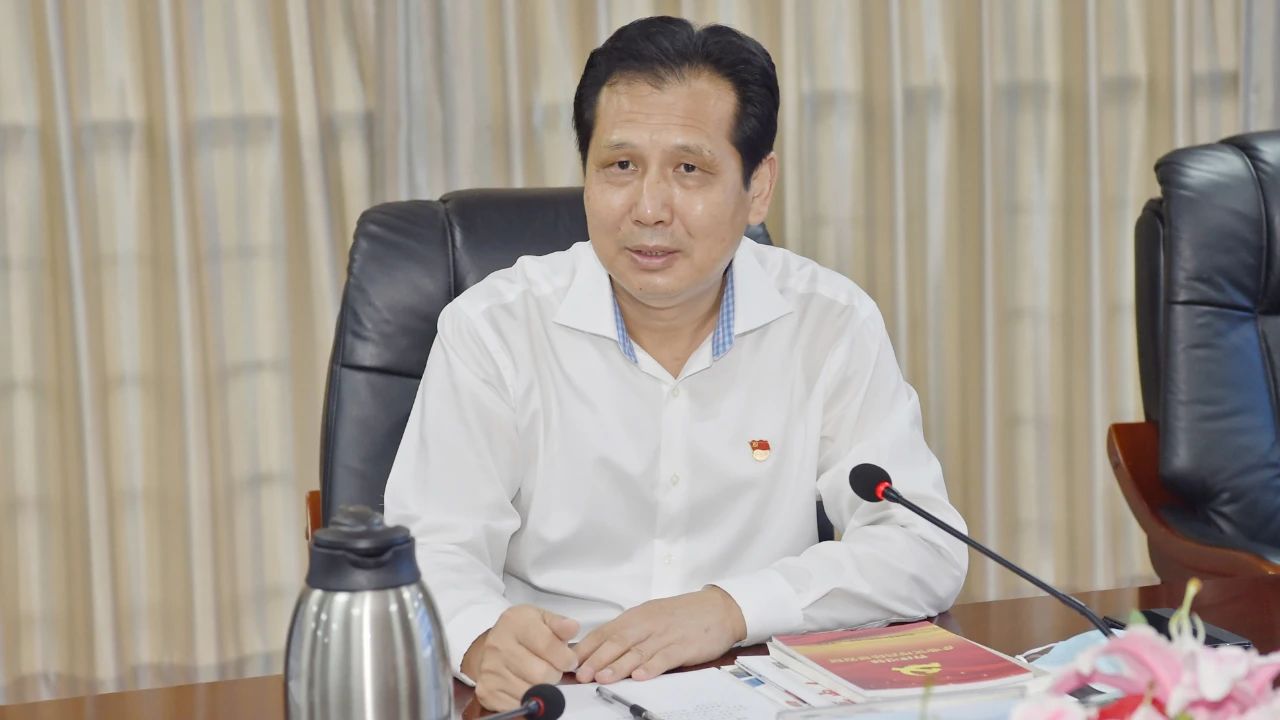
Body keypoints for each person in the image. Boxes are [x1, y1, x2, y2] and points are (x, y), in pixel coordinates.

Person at [383, 15, 968, 711]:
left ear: (758, 188)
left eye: (689, 170)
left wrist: (730, 608)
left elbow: (922, 546)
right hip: (558, 692)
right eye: (620, 167)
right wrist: (483, 640)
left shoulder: (829, 322)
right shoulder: (494, 329)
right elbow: (430, 547)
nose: (649, 209)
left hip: (750, 685)